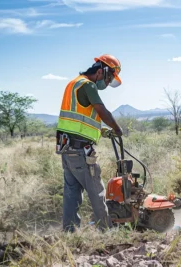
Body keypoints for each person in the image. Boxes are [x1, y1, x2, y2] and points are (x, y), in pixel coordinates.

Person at [55, 54, 123, 233]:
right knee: (97, 191)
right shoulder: (88, 85)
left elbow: (78, 121)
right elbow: (103, 112)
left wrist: (101, 132)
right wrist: (117, 129)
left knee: (71, 194)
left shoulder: (73, 84)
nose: (107, 84)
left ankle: (69, 233)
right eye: (109, 78)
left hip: (67, 148)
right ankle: (107, 232)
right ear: (101, 71)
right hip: (80, 151)